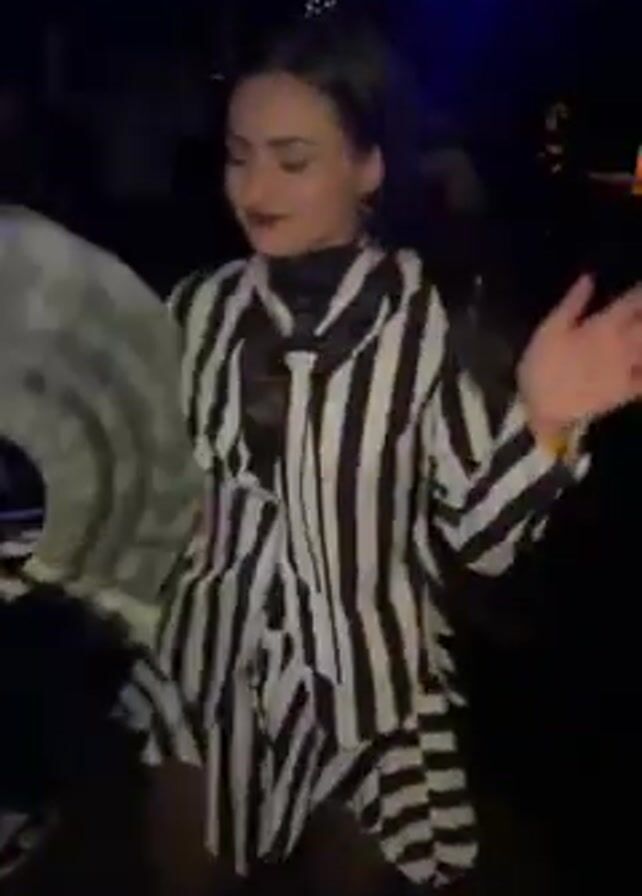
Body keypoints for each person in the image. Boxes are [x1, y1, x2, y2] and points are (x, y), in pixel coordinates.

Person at [132, 13, 642, 896]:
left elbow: (481, 541)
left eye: (292, 160)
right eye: (238, 155)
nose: (255, 186)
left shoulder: (427, 327)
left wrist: (546, 422)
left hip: (370, 698)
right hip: (209, 675)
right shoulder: (194, 308)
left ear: (367, 167)